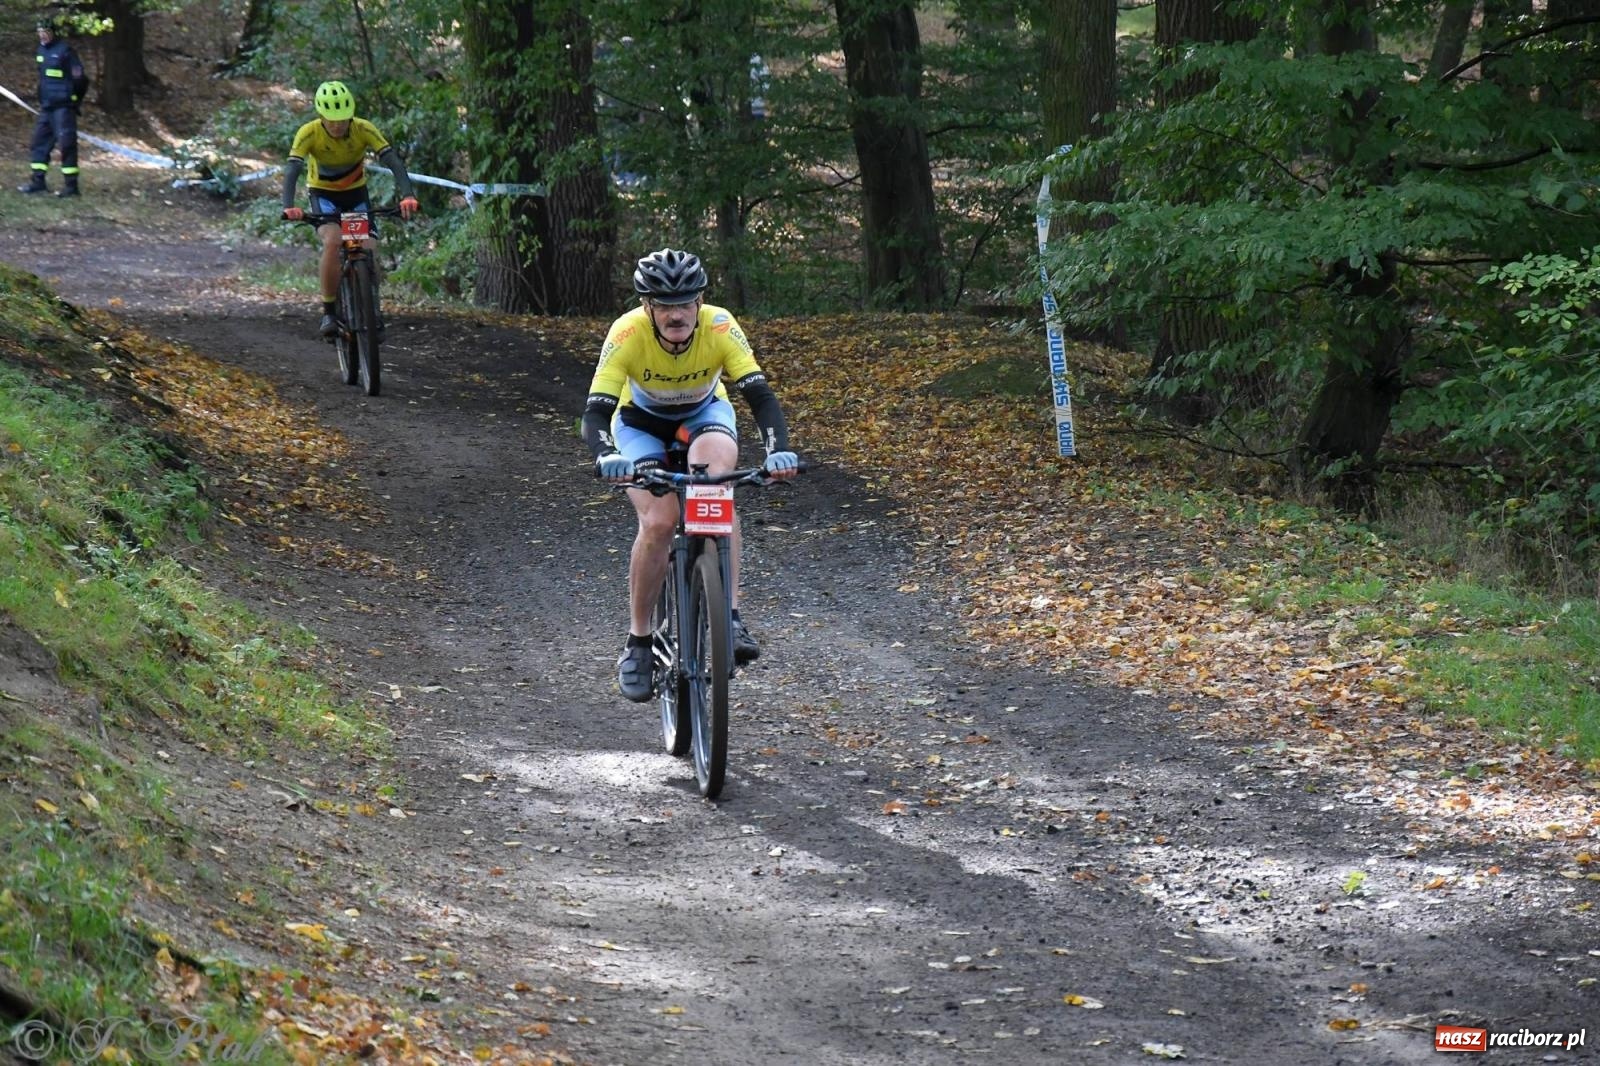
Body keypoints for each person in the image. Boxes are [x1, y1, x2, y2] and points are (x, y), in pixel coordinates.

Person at [583, 249, 800, 703]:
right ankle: (639, 641)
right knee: (660, 521)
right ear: (648, 307)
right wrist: (606, 455)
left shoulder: (721, 325)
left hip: (703, 415)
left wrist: (779, 452)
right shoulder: (626, 332)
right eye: (664, 304)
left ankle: (731, 616)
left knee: (715, 487)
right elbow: (596, 412)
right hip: (639, 424)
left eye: (685, 302)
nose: (676, 313)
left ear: (700, 302)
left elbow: (760, 397)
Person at [280, 80, 419, 338]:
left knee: (366, 247)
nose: (337, 124)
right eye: (331, 119)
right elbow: (293, 169)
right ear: (321, 116)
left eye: (343, 119)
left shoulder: (363, 129)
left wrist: (408, 195)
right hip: (324, 196)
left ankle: (372, 311)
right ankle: (329, 312)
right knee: (333, 240)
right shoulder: (309, 133)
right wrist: (289, 206)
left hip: (355, 195)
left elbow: (392, 160)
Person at [18, 17, 89, 198]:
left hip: (63, 108)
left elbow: (80, 79)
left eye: (46, 32)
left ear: (53, 33)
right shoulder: (41, 50)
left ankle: (71, 187)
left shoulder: (65, 52)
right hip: (47, 107)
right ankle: (38, 181)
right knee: (38, 144)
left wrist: (74, 100)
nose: (43, 36)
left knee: (66, 145)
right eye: (40, 32)